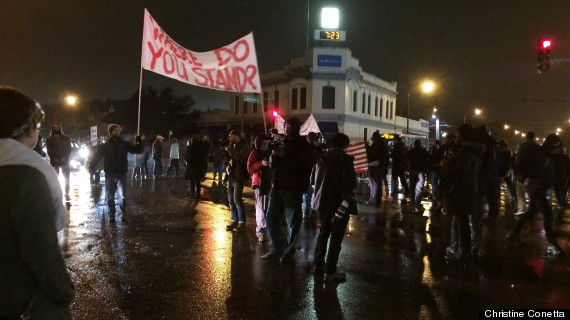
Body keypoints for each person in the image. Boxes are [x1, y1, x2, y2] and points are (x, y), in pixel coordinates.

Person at [0, 86, 75, 319]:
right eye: (37, 125)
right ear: (24, 127)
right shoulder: (26, 177)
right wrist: (64, 294)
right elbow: (41, 251)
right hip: (20, 302)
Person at [261, 118, 313, 263]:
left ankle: (288, 252)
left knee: (292, 223)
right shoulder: (283, 142)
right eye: (286, 125)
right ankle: (274, 248)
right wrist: (274, 155)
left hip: (292, 188)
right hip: (277, 187)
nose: (288, 128)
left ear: (297, 127)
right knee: (271, 217)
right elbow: (272, 165)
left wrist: (286, 156)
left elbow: (305, 166)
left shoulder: (303, 145)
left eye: (291, 125)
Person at [506, 134, 564, 256]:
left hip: (537, 187)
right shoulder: (541, 155)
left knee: (530, 213)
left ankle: (513, 234)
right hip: (536, 187)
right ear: (553, 146)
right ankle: (552, 244)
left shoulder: (546, 154)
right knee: (548, 215)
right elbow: (537, 171)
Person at [312, 133, 357, 282]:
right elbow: (351, 183)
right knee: (336, 238)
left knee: (323, 233)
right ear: (345, 145)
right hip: (339, 204)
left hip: (322, 202)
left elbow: (313, 180)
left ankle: (318, 265)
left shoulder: (321, 158)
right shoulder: (345, 160)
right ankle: (330, 271)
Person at [441, 124, 484, 265]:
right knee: (462, 221)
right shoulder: (469, 149)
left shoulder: (466, 151)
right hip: (465, 189)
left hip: (461, 190)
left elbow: (459, 170)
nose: (457, 136)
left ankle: (464, 254)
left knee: (462, 222)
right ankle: (462, 252)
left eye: (459, 133)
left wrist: (445, 164)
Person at [89, 124, 142, 222]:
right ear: (111, 132)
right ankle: (111, 215)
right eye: (115, 131)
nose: (117, 132)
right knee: (110, 196)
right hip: (110, 173)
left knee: (123, 195)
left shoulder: (124, 144)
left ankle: (122, 214)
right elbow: (97, 156)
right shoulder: (105, 145)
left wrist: (138, 141)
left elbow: (136, 151)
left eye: (118, 130)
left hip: (122, 172)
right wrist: (91, 166)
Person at [247, 134, 274, 242]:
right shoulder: (255, 153)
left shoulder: (272, 151)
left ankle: (270, 229)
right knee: (261, 208)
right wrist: (260, 163)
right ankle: (261, 231)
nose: (266, 144)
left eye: (267, 142)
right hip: (261, 183)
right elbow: (250, 168)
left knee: (270, 207)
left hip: (272, 182)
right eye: (264, 142)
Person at [223, 130, 251, 232]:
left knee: (237, 200)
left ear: (236, 136)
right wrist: (226, 152)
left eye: (230, 136)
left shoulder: (245, 146)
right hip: (231, 175)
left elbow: (241, 157)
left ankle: (242, 222)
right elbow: (228, 159)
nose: (229, 138)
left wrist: (231, 150)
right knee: (231, 200)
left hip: (239, 176)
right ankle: (234, 220)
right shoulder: (232, 145)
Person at [513, 131, 541, 216]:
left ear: (526, 136)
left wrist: (516, 171)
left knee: (520, 191)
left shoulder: (522, 146)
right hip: (533, 174)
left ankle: (522, 209)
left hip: (522, 173)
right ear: (534, 137)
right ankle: (532, 209)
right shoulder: (538, 147)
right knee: (532, 192)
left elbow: (518, 159)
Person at [46, 122, 71, 201]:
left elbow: (69, 149)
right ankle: (57, 194)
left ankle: (67, 194)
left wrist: (65, 157)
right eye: (55, 127)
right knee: (55, 179)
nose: (56, 128)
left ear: (60, 128)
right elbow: (49, 150)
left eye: (58, 127)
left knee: (67, 179)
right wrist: (54, 158)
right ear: (52, 128)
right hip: (54, 161)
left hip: (65, 161)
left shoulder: (66, 138)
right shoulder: (49, 139)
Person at [405, 139, 429, 212]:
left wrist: (408, 167)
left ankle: (413, 205)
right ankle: (417, 206)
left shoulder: (410, 152)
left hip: (412, 171)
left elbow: (404, 159)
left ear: (414, 144)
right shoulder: (424, 152)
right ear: (420, 144)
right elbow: (429, 160)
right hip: (421, 172)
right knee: (419, 189)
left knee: (412, 189)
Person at [302, 131, 322, 218]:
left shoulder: (304, 148)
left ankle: (305, 211)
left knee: (306, 194)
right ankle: (312, 211)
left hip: (306, 173)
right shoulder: (317, 149)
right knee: (314, 193)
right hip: (315, 174)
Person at [366, 131, 389, 206]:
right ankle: (377, 200)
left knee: (374, 183)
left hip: (375, 165)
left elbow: (373, 154)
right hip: (380, 165)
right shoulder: (383, 144)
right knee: (378, 183)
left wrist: (367, 147)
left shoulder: (376, 144)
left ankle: (374, 199)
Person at [389, 135, 410, 201]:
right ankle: (407, 192)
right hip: (401, 166)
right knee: (402, 180)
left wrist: (390, 154)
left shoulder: (396, 147)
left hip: (396, 165)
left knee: (393, 179)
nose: (393, 141)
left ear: (396, 140)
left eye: (393, 140)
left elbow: (394, 156)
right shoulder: (403, 146)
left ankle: (392, 194)